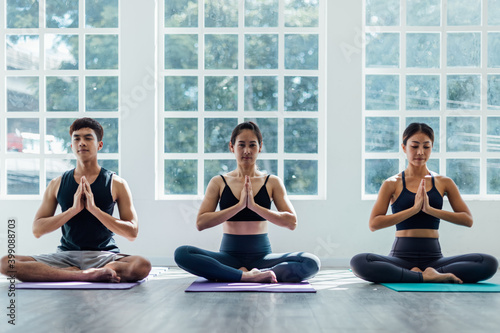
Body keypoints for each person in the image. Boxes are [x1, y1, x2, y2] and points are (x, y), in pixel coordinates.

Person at [0, 118, 151, 283]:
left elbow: (132, 233)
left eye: (88, 138)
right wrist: (73, 210)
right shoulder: (56, 183)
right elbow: (37, 230)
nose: (82, 143)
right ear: (72, 146)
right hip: (65, 256)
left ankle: (89, 272)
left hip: (104, 256)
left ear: (99, 145)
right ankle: (83, 275)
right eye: (77, 138)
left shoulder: (116, 183)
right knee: (6, 263)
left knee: (142, 265)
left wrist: (95, 210)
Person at [350, 123, 498, 283]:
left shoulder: (444, 182)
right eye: (414, 146)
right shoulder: (392, 183)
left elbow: (467, 220)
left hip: (434, 259)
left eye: (426, 147)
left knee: (488, 263)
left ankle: (419, 275)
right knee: (359, 262)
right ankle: (425, 276)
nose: (420, 152)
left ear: (431, 147)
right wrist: (413, 210)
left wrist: (430, 210)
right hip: (400, 258)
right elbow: (374, 224)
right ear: (404, 147)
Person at [175, 122, 320, 283]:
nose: (246, 151)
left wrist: (254, 206)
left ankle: (243, 274)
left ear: (260, 147)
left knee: (311, 262)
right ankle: (246, 275)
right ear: (232, 147)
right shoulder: (219, 182)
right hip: (228, 256)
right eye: (241, 145)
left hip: (262, 257)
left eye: (252, 145)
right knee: (182, 253)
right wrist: (238, 206)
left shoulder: (272, 182)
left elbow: (292, 222)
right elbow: (201, 223)